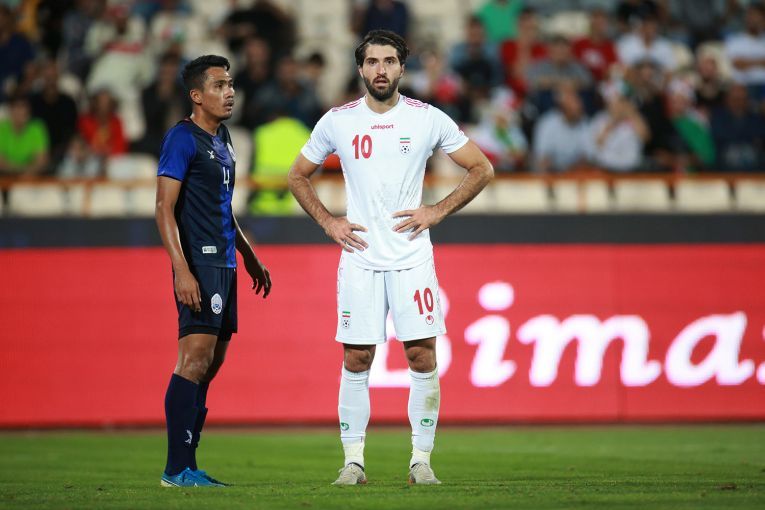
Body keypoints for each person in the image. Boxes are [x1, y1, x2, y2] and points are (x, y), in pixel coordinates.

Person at [287, 30, 493, 486]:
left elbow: (482, 168)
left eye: (389, 61)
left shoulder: (427, 118)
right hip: (360, 257)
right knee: (357, 358)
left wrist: (436, 210)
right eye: (372, 62)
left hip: (411, 257)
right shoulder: (337, 121)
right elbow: (297, 175)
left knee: (420, 356)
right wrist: (329, 222)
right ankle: (352, 463)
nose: (380, 69)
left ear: (402, 67)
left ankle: (421, 461)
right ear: (360, 68)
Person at [155, 55, 272, 488]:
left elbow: (222, 206)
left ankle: (189, 463)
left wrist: (248, 254)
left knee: (211, 364)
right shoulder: (181, 139)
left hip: (225, 263)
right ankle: (175, 469)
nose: (230, 92)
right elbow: (163, 208)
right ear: (196, 95)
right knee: (193, 360)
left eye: (231, 84)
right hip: (199, 263)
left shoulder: (222, 137)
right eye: (219, 85)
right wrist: (181, 270)